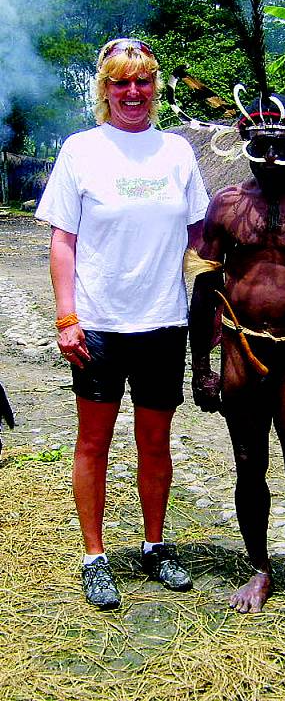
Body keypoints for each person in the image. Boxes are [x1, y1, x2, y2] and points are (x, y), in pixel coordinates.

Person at [36, 38, 209, 610]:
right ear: (104, 90)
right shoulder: (81, 150)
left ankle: (155, 544)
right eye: (120, 82)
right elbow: (63, 241)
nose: (132, 93)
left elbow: (201, 237)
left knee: (156, 441)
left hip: (163, 321)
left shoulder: (178, 152)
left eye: (143, 81)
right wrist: (67, 317)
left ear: (155, 87)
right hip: (100, 325)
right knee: (95, 442)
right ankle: (94, 556)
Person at [189, 94, 285, 621]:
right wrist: (202, 369)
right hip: (239, 349)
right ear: (247, 147)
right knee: (248, 463)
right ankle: (259, 567)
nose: (272, 156)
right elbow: (204, 288)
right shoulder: (227, 205)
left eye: (283, 146)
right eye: (262, 146)